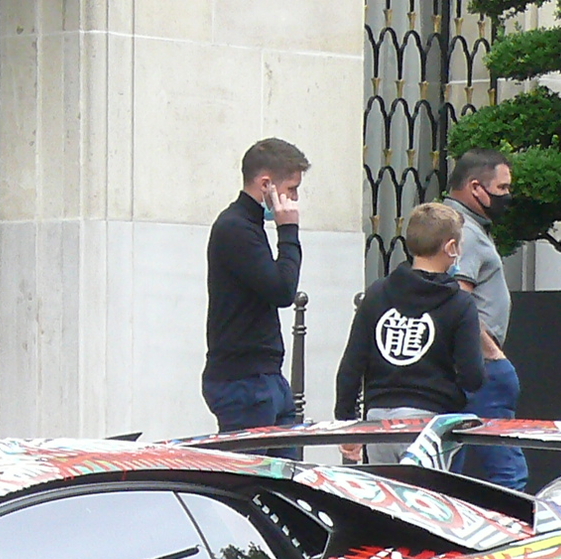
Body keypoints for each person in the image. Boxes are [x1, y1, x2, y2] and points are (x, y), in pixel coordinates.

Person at [335, 202, 486, 464]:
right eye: (458, 245)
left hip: (378, 422)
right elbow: (473, 376)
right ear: (450, 248)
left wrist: (348, 423)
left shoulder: (377, 293)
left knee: (382, 501)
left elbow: (351, 365)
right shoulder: (459, 304)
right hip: (428, 423)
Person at [203, 138, 310, 432]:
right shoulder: (235, 227)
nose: (295, 198)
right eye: (291, 189)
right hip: (243, 382)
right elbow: (282, 290)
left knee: (285, 475)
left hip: (265, 375)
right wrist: (288, 229)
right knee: (254, 475)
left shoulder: (249, 225)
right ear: (266, 185)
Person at [445, 148, 527, 488]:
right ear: (476, 188)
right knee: (507, 471)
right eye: (503, 188)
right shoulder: (462, 230)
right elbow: (458, 297)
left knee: (455, 463)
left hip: (468, 364)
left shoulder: (465, 226)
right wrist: (492, 352)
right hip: (479, 365)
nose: (507, 196)